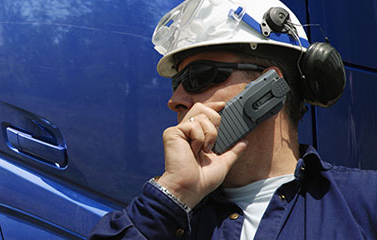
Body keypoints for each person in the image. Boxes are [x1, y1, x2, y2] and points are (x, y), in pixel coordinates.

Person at [88, 0, 377, 239]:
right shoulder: (170, 220)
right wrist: (172, 196)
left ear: (268, 88)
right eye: (175, 82)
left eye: (199, 76)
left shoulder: (365, 203)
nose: (175, 99)